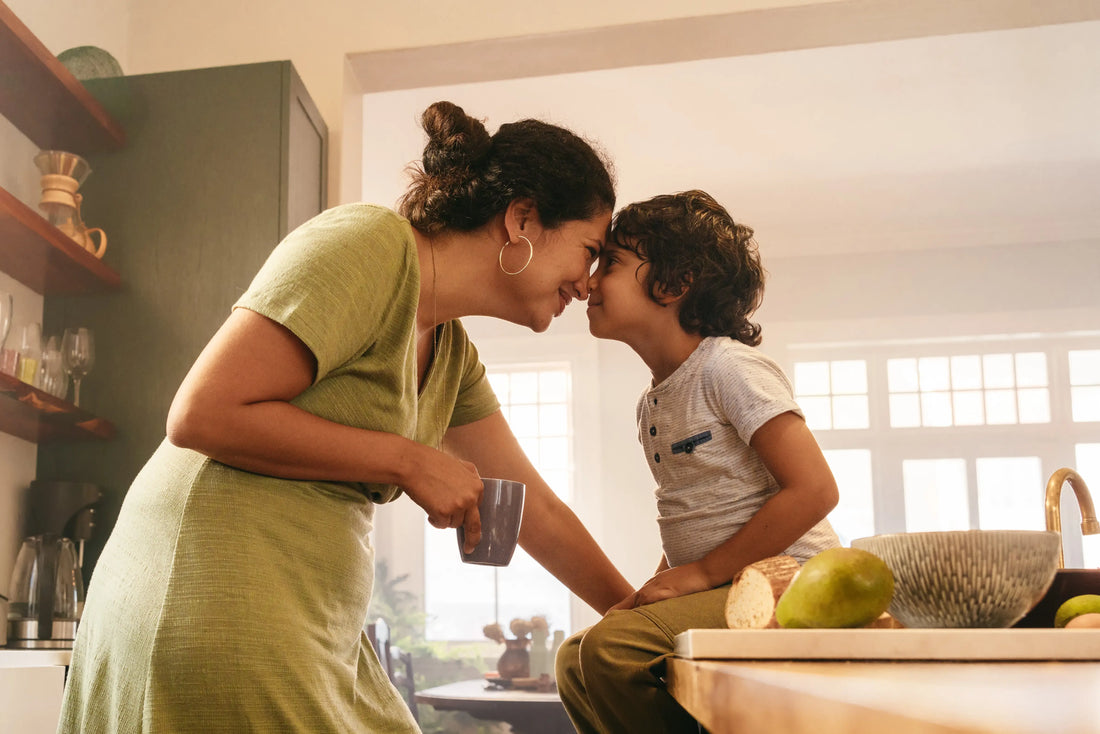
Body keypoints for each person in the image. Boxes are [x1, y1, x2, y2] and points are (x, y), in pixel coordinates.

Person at [58, 101, 634, 733]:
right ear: (522, 218)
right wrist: (411, 460)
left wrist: (636, 617)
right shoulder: (370, 246)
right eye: (589, 250)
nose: (588, 283)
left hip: (312, 615)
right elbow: (201, 413)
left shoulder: (451, 352)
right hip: (212, 588)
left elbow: (534, 507)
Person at [556, 190, 841, 733]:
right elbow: (695, 515)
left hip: (793, 581)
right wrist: (658, 586)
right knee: (575, 659)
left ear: (673, 283)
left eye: (610, 263)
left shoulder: (728, 368)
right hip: (722, 585)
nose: (589, 281)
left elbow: (815, 490)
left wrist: (702, 574)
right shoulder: (653, 404)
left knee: (613, 650)